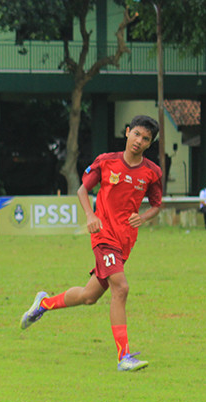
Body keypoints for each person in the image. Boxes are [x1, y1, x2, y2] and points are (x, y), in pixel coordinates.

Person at [19, 115, 163, 372]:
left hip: (125, 241)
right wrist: (90, 215)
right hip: (104, 236)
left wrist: (143, 217)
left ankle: (43, 303)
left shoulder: (152, 172)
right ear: (127, 132)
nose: (139, 141)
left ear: (149, 144)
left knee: (89, 296)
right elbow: (82, 190)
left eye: (146, 139)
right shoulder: (106, 161)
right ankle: (124, 357)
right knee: (122, 288)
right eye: (137, 134)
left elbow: (157, 205)